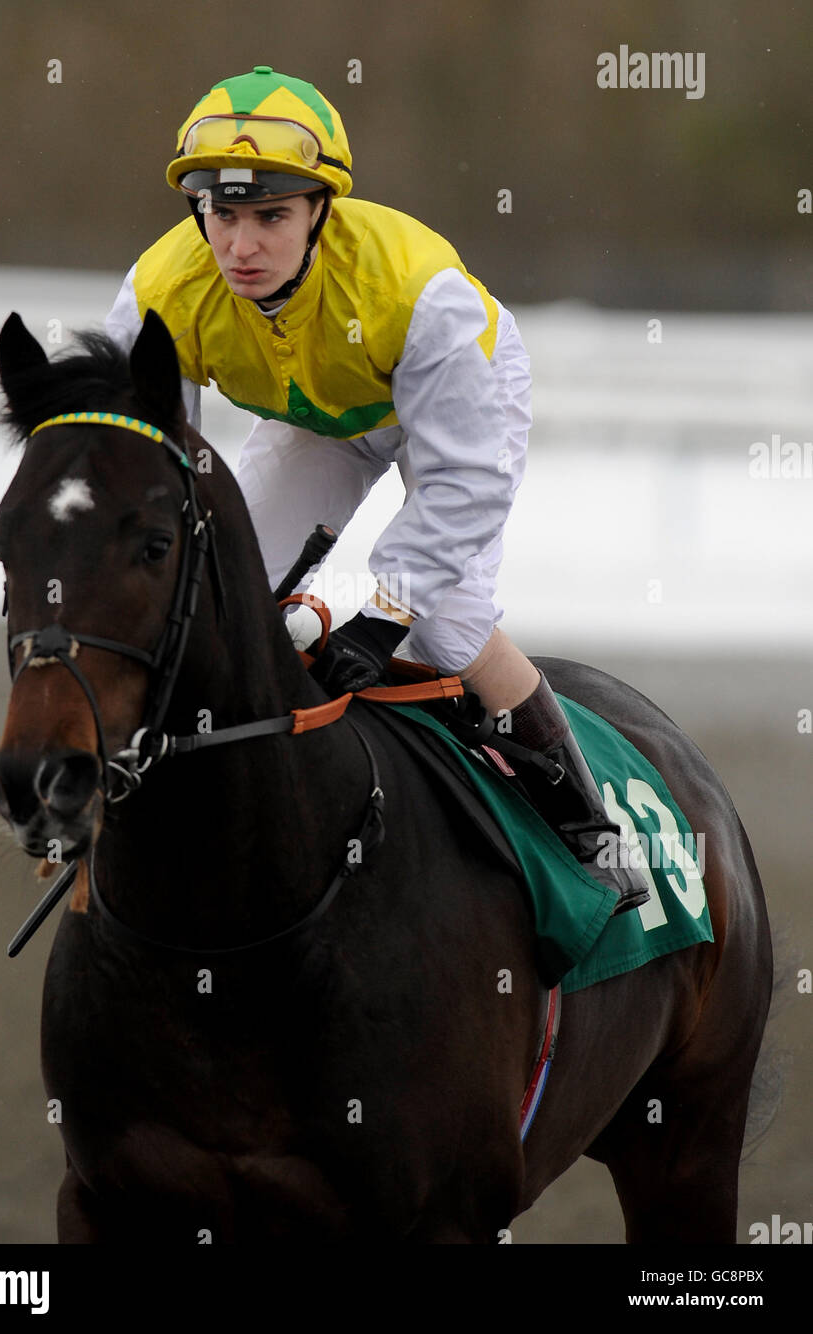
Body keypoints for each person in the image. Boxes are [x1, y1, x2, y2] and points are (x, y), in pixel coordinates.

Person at [105, 65, 648, 913]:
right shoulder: (158, 293)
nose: (240, 247)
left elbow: (465, 483)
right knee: (215, 589)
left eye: (271, 217)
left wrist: (380, 613)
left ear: (321, 209)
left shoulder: (418, 292)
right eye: (221, 214)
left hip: (451, 409)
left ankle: (589, 825)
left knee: (445, 621)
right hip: (319, 418)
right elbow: (141, 466)